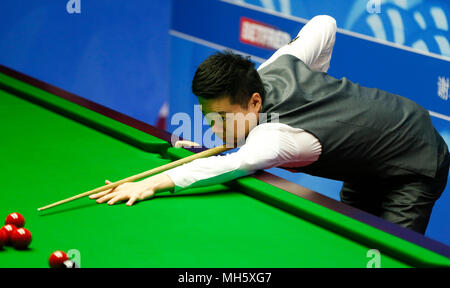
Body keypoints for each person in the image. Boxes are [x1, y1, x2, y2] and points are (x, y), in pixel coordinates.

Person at [89, 15, 449, 235]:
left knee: (390, 254)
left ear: (255, 102)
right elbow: (324, 23)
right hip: (365, 157)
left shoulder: (276, 138)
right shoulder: (276, 65)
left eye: (224, 119)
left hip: (415, 160)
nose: (216, 130)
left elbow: (231, 164)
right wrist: (314, 79)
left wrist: (153, 182)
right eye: (209, 119)